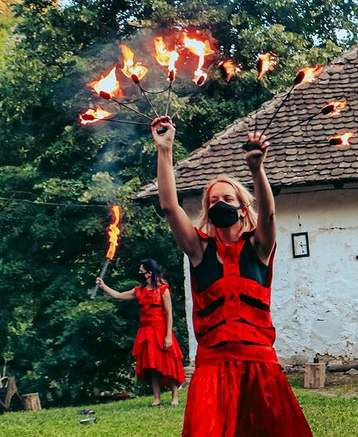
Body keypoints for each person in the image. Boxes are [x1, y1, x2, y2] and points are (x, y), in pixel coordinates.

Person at [151, 116, 313, 436]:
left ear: (242, 207)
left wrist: (257, 169)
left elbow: (268, 213)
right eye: (213, 200)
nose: (219, 204)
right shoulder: (199, 249)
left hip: (259, 365)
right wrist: (165, 149)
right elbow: (169, 207)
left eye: (227, 199)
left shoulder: (259, 247)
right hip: (212, 366)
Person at [96, 258, 185, 406]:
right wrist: (103, 286)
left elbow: (169, 314)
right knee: (152, 366)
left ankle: (174, 397)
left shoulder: (163, 290)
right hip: (146, 332)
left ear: (149, 273)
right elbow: (119, 295)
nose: (139, 273)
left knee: (168, 363)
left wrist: (168, 335)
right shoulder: (139, 290)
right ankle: (156, 398)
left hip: (161, 330)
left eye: (141, 271)